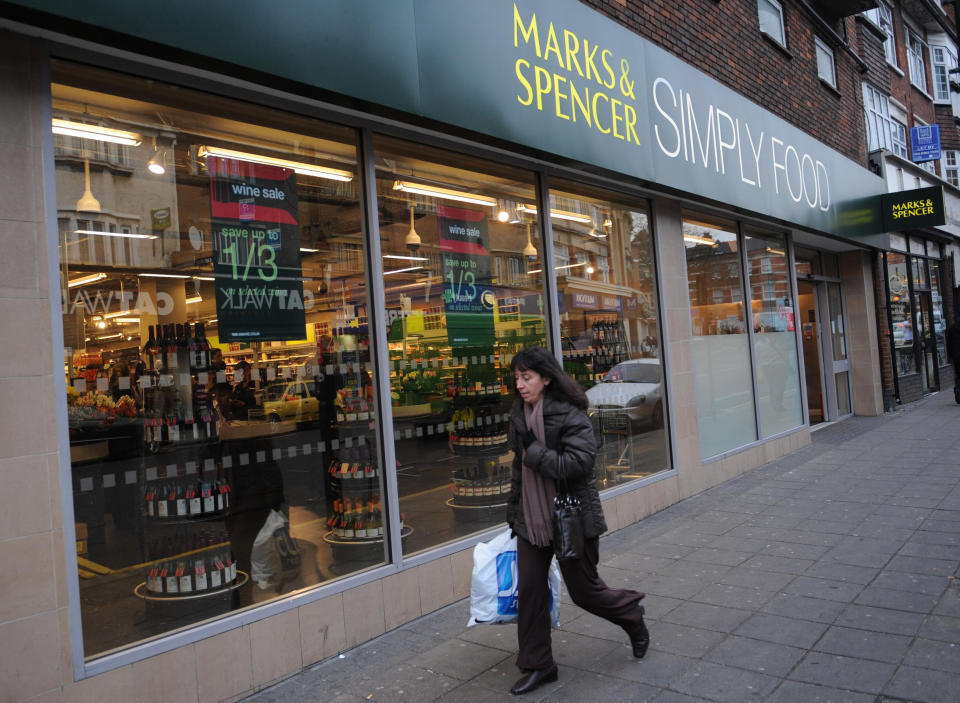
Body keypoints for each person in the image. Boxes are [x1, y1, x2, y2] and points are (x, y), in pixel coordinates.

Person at [506, 346, 648, 696]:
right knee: (531, 593)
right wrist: (514, 513)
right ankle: (540, 665)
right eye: (517, 378)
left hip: (570, 516)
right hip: (531, 518)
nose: (520, 385)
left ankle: (631, 614)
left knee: (585, 592)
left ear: (546, 378)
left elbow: (578, 465)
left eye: (527, 378)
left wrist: (533, 450)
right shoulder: (519, 414)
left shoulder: (570, 413)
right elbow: (519, 469)